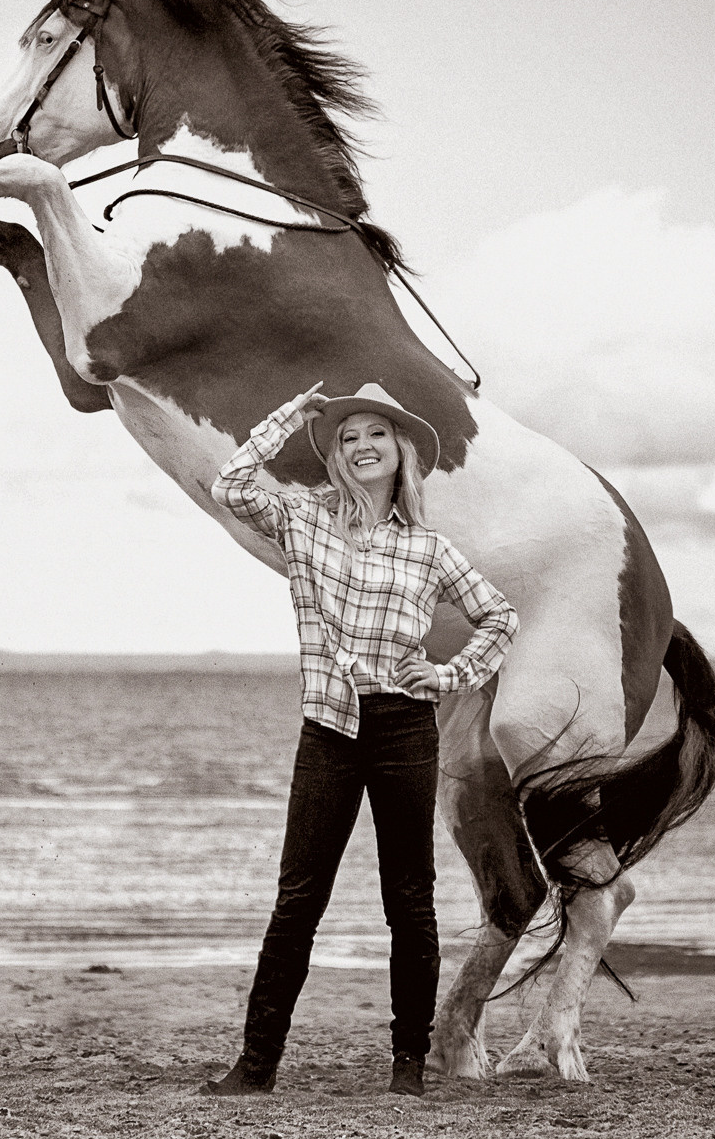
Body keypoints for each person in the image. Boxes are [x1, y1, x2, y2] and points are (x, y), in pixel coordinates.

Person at [201, 381, 519, 1097]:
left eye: (376, 433)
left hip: (406, 728)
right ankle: (256, 1065)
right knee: (298, 900)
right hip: (329, 730)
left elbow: (500, 617)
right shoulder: (304, 519)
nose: (362, 446)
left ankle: (409, 1066)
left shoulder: (430, 551)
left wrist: (447, 675)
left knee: (410, 899)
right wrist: (290, 413)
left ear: (399, 450)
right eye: (348, 437)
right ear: (336, 456)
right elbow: (231, 484)